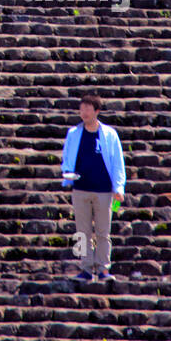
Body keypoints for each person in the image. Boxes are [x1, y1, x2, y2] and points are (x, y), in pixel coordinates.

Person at [61, 92, 126, 283]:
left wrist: (119, 187)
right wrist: (67, 173)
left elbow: (117, 163)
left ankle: (104, 269)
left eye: (88, 109)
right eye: (82, 109)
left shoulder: (109, 134)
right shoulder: (73, 133)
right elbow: (67, 158)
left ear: (97, 111)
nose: (84, 113)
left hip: (104, 190)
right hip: (80, 188)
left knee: (103, 232)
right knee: (81, 232)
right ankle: (85, 268)